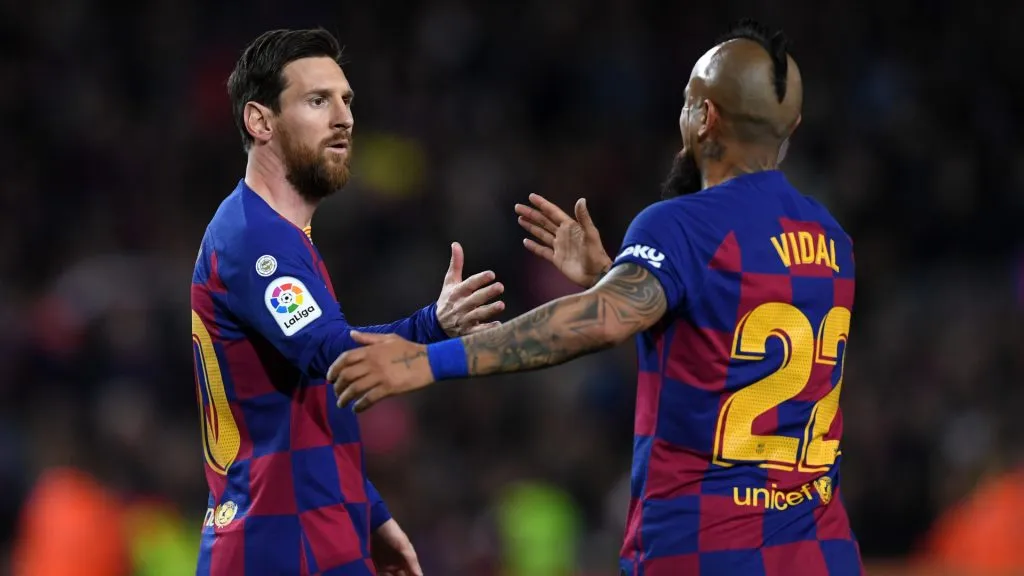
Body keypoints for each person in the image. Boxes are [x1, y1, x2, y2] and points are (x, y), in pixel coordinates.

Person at [330, 19, 864, 576]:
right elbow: (729, 336)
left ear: (704, 118)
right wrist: (617, 274)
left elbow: (605, 321)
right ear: (792, 127)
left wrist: (425, 360)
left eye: (687, 102)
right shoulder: (833, 241)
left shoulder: (682, 225)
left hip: (706, 553)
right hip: (821, 555)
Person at [190, 28, 504, 576]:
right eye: (318, 100)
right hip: (278, 547)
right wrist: (434, 325)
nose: (344, 118)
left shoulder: (283, 235)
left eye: (346, 100)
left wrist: (370, 515)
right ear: (260, 122)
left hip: (312, 535)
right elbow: (334, 355)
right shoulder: (253, 239)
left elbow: (307, 408)